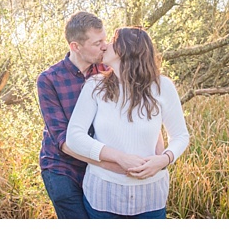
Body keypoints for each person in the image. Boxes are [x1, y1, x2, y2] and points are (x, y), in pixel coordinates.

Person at [63, 26, 190, 219]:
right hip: (103, 197)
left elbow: (180, 135)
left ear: (127, 50)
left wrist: (164, 159)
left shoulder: (163, 86)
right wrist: (119, 157)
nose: (105, 46)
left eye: (112, 41)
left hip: (151, 197)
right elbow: (74, 137)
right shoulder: (95, 86)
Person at [36, 11, 127, 219]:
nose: (104, 46)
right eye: (97, 43)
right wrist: (108, 164)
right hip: (62, 166)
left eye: (105, 39)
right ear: (75, 46)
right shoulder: (49, 80)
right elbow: (62, 138)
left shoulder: (108, 71)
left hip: (100, 163)